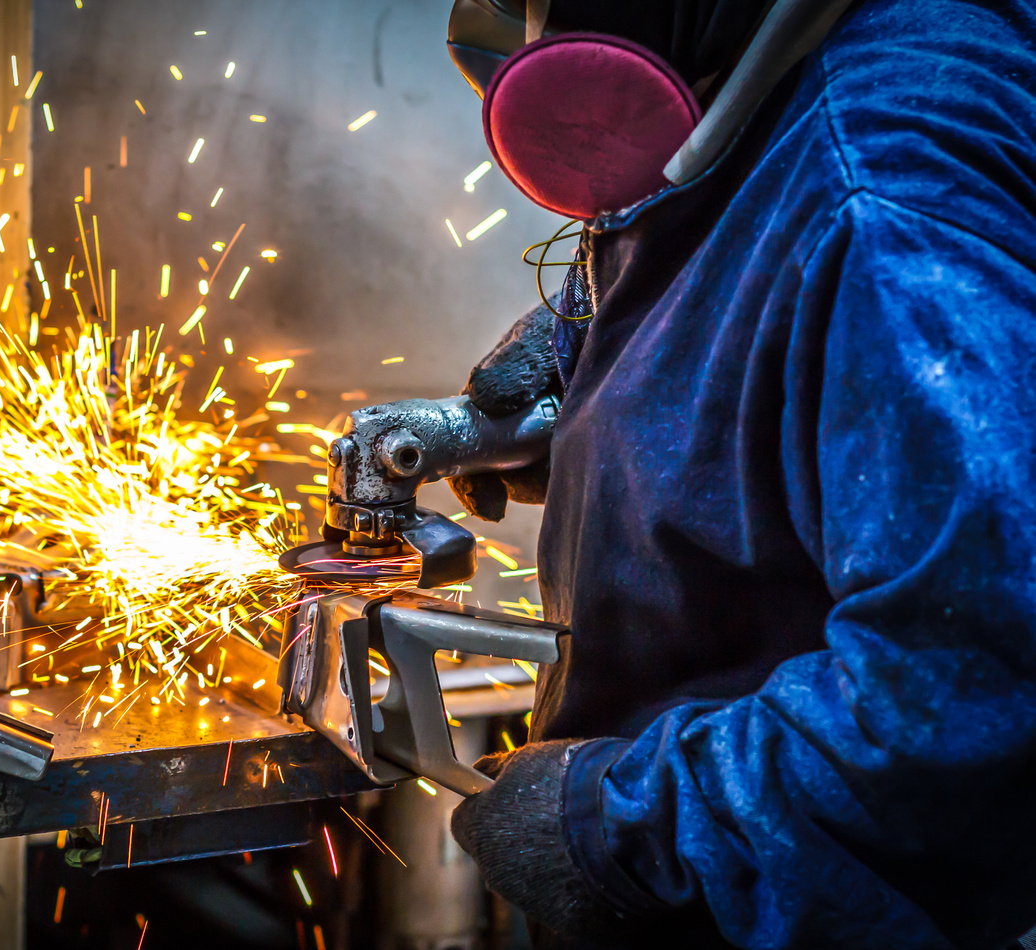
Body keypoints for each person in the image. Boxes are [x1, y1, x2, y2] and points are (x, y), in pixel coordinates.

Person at [440, 1, 1036, 948]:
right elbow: (768, 288)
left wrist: (623, 827)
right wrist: (591, 358)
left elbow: (975, 688)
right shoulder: (775, 68)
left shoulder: (881, 185)